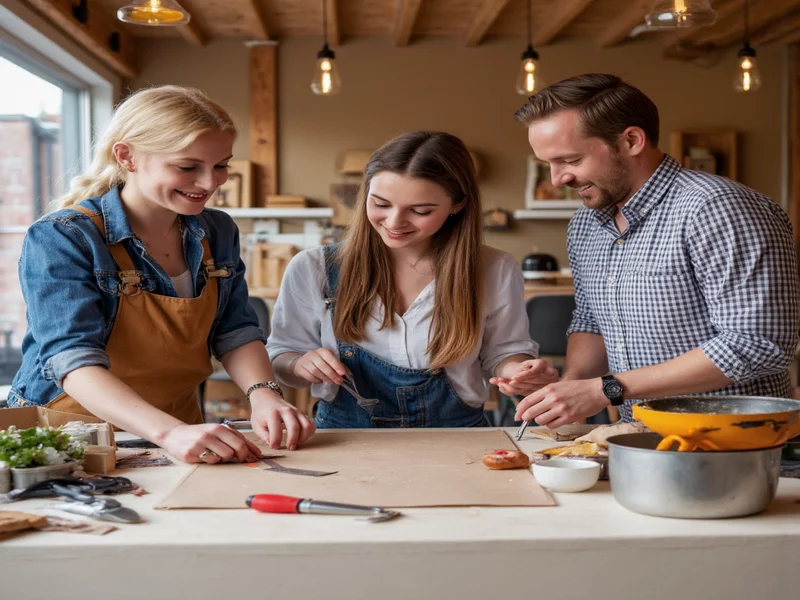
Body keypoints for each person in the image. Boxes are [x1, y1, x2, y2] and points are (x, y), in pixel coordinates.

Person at [9, 85, 314, 462]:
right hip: (68, 433)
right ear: (127, 157)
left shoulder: (217, 232)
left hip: (177, 426)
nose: (209, 183)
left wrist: (264, 394)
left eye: (221, 165)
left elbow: (234, 330)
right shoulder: (64, 236)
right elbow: (73, 361)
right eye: (187, 167)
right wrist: (168, 432)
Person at [512, 73, 799, 427]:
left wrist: (605, 390)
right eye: (549, 165)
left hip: (735, 445)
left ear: (631, 140)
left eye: (570, 160)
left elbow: (757, 344)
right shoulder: (585, 225)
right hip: (638, 437)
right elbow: (592, 322)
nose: (557, 179)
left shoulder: (719, 208)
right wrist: (571, 390)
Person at [267, 131, 558, 428]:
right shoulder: (313, 267)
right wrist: (299, 364)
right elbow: (281, 358)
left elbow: (504, 352)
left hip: (456, 436)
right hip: (345, 434)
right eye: (380, 204)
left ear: (457, 205)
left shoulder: (495, 268)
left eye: (420, 211)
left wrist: (520, 372)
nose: (394, 222)